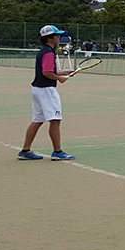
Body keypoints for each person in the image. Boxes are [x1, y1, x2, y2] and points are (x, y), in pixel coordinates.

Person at [18, 25, 76, 161]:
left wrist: (63, 72)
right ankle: (57, 152)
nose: (59, 37)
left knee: (37, 120)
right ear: (50, 38)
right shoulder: (49, 53)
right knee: (55, 120)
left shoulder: (43, 51)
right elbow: (47, 73)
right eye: (57, 35)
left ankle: (25, 151)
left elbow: (47, 71)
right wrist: (59, 78)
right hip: (46, 91)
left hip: (37, 90)